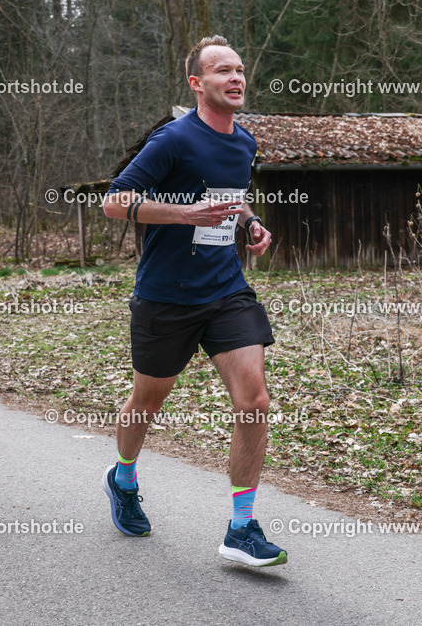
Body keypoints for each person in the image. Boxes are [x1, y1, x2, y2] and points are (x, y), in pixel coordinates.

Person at [100, 35, 286, 567]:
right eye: (222, 70)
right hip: (165, 296)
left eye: (240, 68)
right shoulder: (172, 139)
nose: (236, 77)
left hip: (225, 290)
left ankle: (241, 527)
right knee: (148, 400)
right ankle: (124, 476)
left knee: (254, 401)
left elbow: (230, 194)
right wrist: (183, 215)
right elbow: (115, 202)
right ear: (196, 83)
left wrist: (249, 222)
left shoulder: (244, 143)